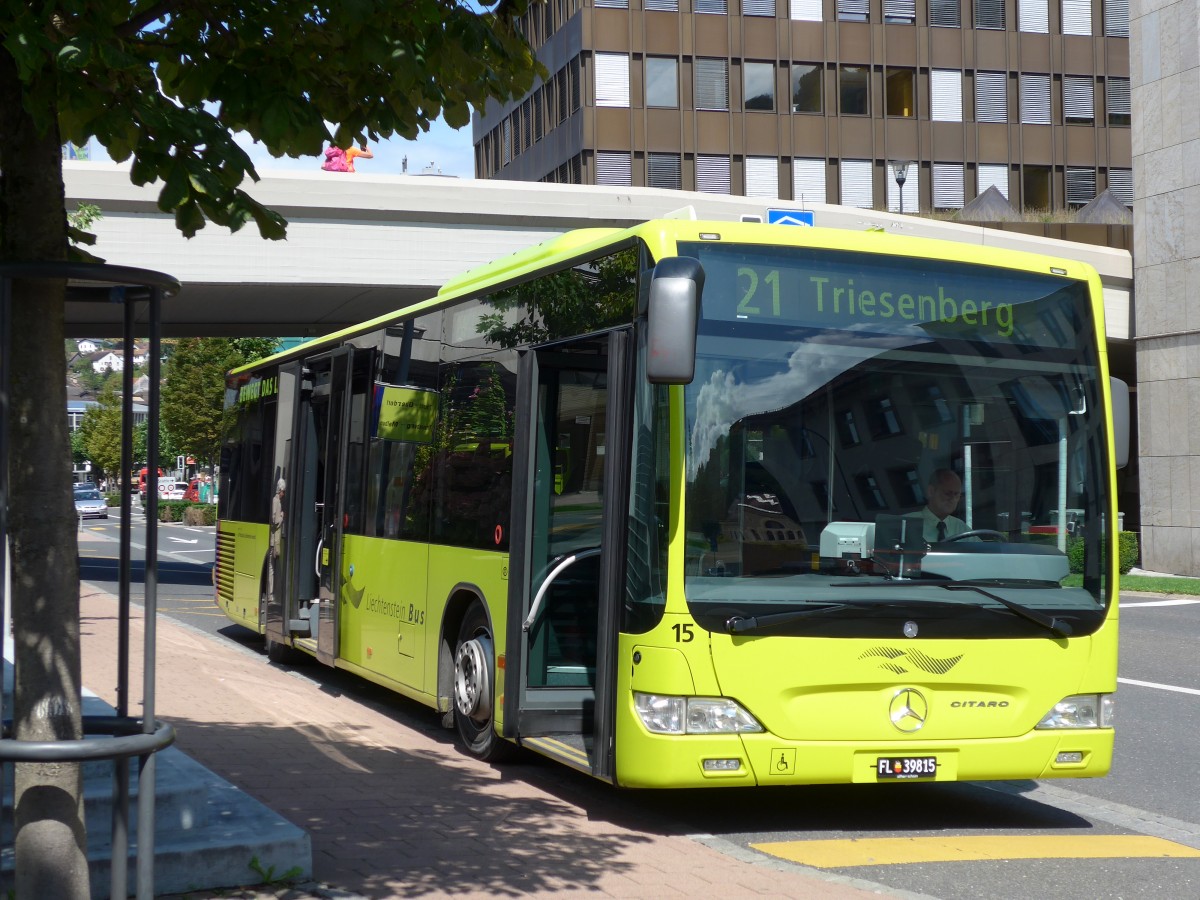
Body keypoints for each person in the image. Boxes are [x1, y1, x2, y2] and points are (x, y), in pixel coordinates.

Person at [919, 468, 969, 543]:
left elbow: (983, 552)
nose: (953, 499)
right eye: (947, 493)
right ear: (931, 491)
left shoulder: (960, 527)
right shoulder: (906, 524)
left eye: (956, 494)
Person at [268, 478, 285, 598]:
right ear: (280, 490)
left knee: (272, 567)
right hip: (273, 540)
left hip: (274, 539)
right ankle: (270, 593)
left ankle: (271, 592)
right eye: (283, 491)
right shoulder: (276, 501)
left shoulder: (277, 501)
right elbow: (274, 520)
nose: (284, 493)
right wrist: (282, 516)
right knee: (271, 567)